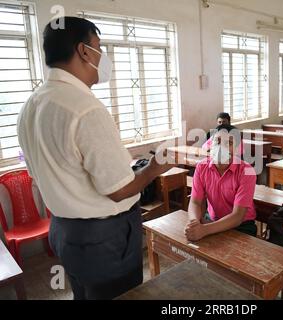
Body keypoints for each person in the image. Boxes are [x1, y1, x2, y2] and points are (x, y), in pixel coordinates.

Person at [17, 17, 173, 300]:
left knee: (86, 294)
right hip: (103, 238)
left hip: (66, 232)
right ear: (83, 51)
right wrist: (154, 168)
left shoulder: (31, 105)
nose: (103, 56)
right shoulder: (84, 108)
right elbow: (118, 189)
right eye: (99, 46)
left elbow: (41, 171)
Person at [185, 124, 257, 241]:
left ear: (237, 148)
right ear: (210, 144)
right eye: (217, 141)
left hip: (241, 226)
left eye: (228, 143)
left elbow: (237, 216)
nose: (221, 148)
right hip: (212, 220)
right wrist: (194, 223)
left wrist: (204, 230)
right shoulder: (202, 167)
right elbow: (195, 202)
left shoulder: (247, 171)